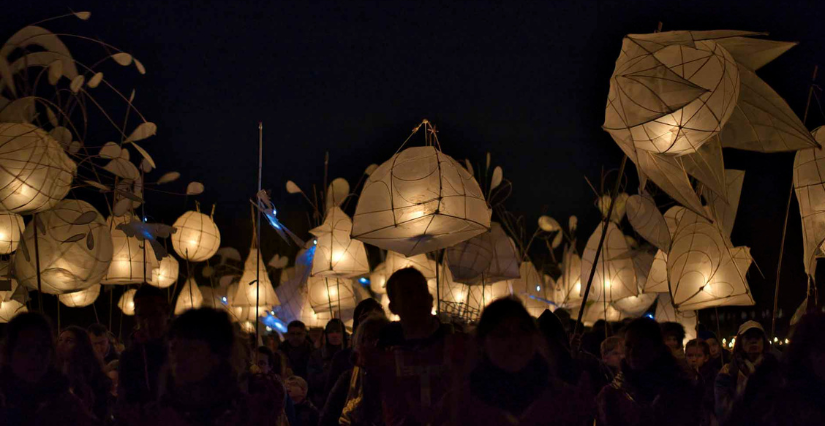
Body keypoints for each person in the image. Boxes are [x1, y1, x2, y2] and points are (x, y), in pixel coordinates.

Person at [130, 307, 283, 426]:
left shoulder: (250, 412)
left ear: (217, 354)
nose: (179, 357)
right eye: (174, 348)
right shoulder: (159, 411)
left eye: (191, 349)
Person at [453, 297, 590, 425]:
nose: (514, 342)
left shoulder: (565, 401)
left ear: (535, 338)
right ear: (482, 342)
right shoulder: (460, 405)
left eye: (522, 331)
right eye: (502, 333)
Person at [375, 267, 469, 426]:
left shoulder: (460, 346)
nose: (417, 299)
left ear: (430, 298)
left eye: (421, 290)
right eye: (407, 294)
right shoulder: (381, 354)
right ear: (393, 307)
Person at [597, 317, 702, 426]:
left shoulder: (679, 387)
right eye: (628, 346)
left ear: (655, 347)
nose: (632, 351)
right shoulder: (613, 393)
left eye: (639, 345)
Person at [0, 312, 96, 426]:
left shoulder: (65, 403)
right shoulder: (3, 398)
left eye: (41, 349)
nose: (34, 357)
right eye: (25, 349)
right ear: (9, 352)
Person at [115, 284, 171, 422]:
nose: (148, 323)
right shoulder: (129, 357)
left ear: (166, 313)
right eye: (142, 316)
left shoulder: (183, 351)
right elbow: (124, 403)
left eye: (154, 314)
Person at [323, 313, 389, 426]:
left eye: (378, 338)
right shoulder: (350, 378)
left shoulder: (399, 376)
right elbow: (328, 416)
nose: (374, 344)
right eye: (368, 338)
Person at [715, 320, 774, 424]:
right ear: (740, 343)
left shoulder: (774, 370)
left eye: (757, 337)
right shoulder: (727, 373)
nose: (753, 341)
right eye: (748, 337)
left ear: (764, 342)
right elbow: (724, 413)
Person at [57, 326, 114, 422]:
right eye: (60, 340)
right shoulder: (54, 374)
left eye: (69, 341)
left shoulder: (94, 377)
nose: (62, 344)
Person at [307, 318, 348, 407]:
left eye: (338, 331)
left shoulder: (350, 355)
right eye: (331, 332)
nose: (334, 335)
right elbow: (313, 381)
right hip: (324, 402)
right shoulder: (317, 356)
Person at [686, 339, 716, 426]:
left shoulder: (712, 375)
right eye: (690, 356)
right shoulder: (683, 375)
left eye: (698, 356)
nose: (694, 359)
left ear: (706, 358)